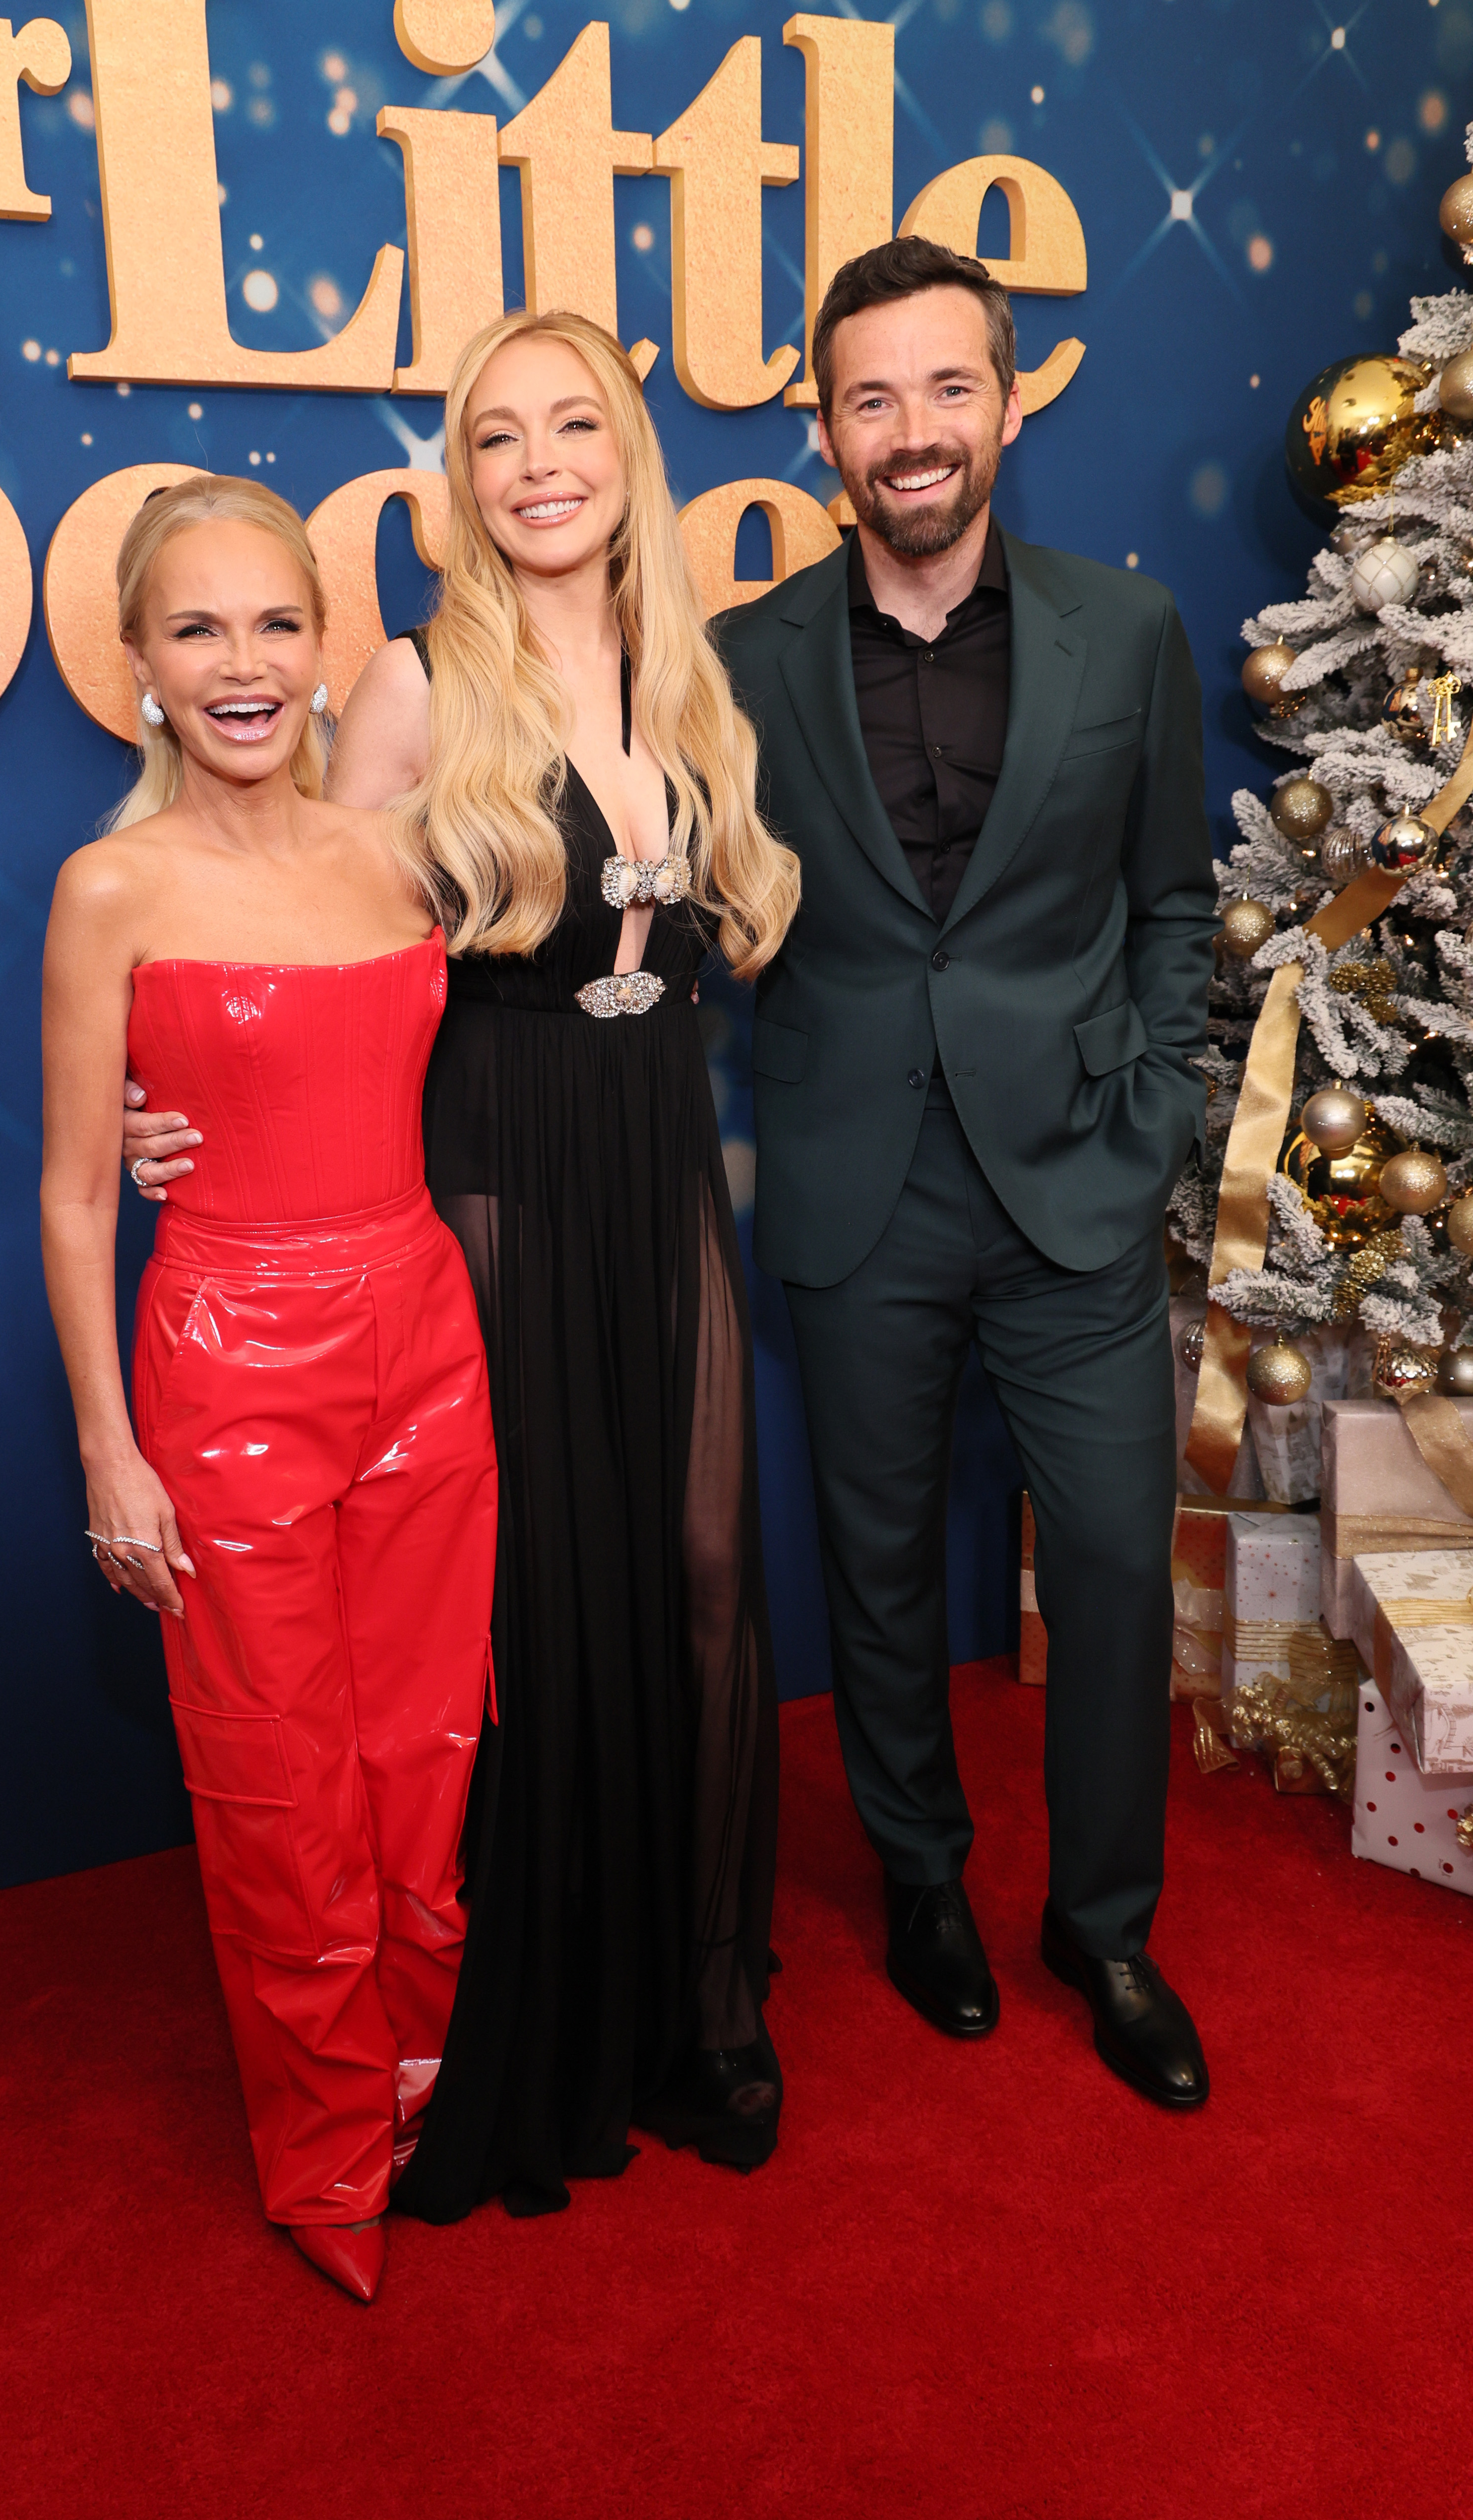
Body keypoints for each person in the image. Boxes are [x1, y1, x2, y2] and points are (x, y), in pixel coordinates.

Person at [124, 312, 801, 2219]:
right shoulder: (418, 688)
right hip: (494, 1178)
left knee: (700, 1569)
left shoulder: (697, 677)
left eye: (574, 423)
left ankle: (705, 1993)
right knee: (537, 1607)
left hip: (658, 1157)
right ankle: (551, 2007)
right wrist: (147, 1102)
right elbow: (282, 935)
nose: (539, 465)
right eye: (497, 437)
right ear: (460, 480)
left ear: (628, 450)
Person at [713, 236, 1217, 2108]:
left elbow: (1175, 901)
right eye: (871, 398)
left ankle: (1104, 1922)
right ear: (822, 426)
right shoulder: (740, 661)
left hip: (1077, 1186)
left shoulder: (1128, 632)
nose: (910, 432)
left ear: (1009, 404)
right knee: (881, 1565)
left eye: (948, 389)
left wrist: (1154, 1110)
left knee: (1101, 1566)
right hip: (856, 1193)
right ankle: (921, 1881)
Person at [40, 475, 498, 2302]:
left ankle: (426, 2074)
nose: (242, 664)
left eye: (275, 624)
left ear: (326, 653)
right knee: (279, 1787)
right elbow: (78, 1188)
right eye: (198, 630)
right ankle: (324, 2159)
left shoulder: (402, 854)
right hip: (226, 1364)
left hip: (425, 1339)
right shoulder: (113, 886)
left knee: (423, 1758)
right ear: (143, 667)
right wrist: (110, 1451)